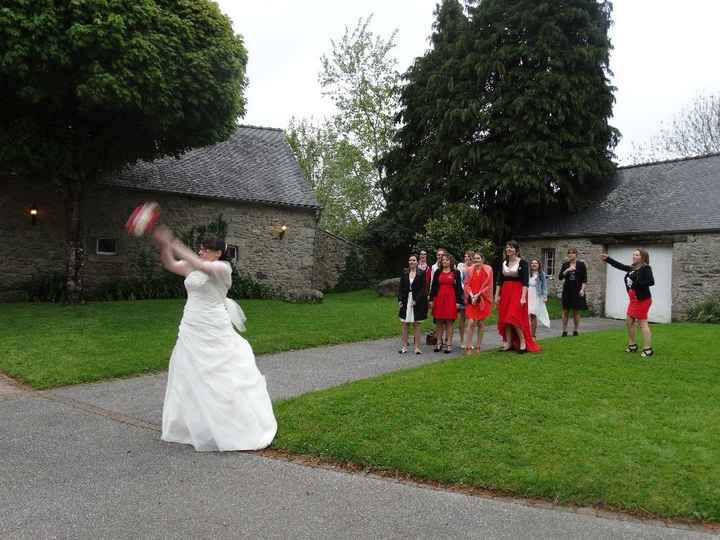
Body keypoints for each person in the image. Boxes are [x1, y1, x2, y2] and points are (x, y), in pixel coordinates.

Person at [152, 225, 277, 451]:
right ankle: (195, 425)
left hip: (213, 326)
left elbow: (201, 265)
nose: (201, 252)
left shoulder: (222, 268)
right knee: (189, 371)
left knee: (219, 373)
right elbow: (170, 265)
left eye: (206, 249)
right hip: (191, 325)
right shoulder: (194, 266)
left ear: (218, 253)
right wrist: (165, 247)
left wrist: (173, 241)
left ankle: (232, 424)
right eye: (200, 248)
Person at [602, 249, 656, 357]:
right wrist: (608, 259)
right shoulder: (633, 268)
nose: (634, 256)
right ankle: (632, 345)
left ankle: (648, 349)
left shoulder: (645, 268)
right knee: (629, 322)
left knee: (642, 323)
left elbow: (651, 281)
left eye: (637, 254)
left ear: (643, 257)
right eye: (634, 254)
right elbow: (621, 266)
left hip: (642, 300)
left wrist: (636, 284)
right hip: (633, 300)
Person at [495, 241, 541, 353]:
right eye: (507, 247)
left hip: (517, 291)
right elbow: (499, 281)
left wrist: (523, 297)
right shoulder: (504, 263)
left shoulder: (523, 263)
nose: (508, 249)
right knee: (506, 317)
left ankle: (523, 341)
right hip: (505, 292)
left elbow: (525, 282)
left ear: (516, 250)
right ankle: (509, 343)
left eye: (511, 247)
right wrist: (496, 295)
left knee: (514, 316)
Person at [429, 253, 464, 353]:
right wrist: (431, 299)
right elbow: (434, 287)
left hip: (451, 299)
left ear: (451, 261)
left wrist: (458, 301)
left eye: (447, 260)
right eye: (443, 260)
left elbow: (459, 289)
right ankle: (439, 343)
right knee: (439, 321)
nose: (444, 261)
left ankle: (449, 344)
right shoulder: (437, 272)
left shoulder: (456, 272)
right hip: (439, 298)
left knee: (449, 322)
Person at [463, 251, 494, 355]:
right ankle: (468, 346)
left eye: (478, 258)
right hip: (472, 299)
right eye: (475, 259)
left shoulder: (488, 270)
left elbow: (488, 286)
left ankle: (478, 346)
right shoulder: (469, 270)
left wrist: (478, 295)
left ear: (483, 259)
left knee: (480, 322)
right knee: (471, 322)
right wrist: (472, 295)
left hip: (483, 299)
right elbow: (466, 284)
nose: (476, 260)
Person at [398, 254, 428, 354]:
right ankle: (404, 347)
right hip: (406, 300)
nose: (412, 262)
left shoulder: (421, 273)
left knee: (417, 324)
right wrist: (400, 300)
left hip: (417, 302)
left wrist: (416, 300)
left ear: (417, 262)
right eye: (410, 260)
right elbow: (401, 288)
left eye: (414, 260)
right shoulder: (404, 272)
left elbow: (423, 289)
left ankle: (417, 348)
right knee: (405, 324)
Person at [558, 248, 588, 336]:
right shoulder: (565, 265)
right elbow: (560, 277)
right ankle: (564, 330)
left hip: (578, 290)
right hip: (567, 290)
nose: (571, 255)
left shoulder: (581, 265)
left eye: (573, 253)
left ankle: (576, 330)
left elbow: (584, 279)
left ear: (576, 255)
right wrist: (567, 270)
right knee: (565, 311)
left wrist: (582, 289)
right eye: (569, 253)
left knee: (576, 311)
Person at [528, 258, 551, 337]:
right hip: (528, 294)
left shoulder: (541, 274)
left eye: (536, 263)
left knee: (533, 314)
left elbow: (544, 286)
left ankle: (533, 335)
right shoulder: (527, 274)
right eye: (532, 263)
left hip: (536, 295)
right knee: (527, 315)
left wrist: (545, 296)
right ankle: (527, 334)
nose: (534, 264)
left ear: (539, 265)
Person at [456, 250, 473, 348]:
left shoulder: (474, 267)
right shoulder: (460, 266)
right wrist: (464, 289)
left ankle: (469, 340)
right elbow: (459, 281)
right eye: (465, 256)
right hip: (462, 295)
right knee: (462, 318)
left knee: (471, 319)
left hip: (471, 295)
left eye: (469, 257)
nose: (467, 258)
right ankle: (462, 340)